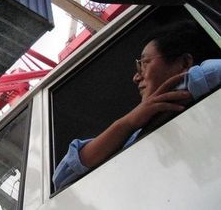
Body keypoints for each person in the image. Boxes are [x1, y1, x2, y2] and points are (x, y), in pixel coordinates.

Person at [53, 20, 221, 190]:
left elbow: (208, 74)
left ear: (184, 63)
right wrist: (130, 121)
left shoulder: (202, 84)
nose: (136, 77)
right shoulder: (135, 132)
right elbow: (63, 177)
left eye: (144, 64)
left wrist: (184, 85)